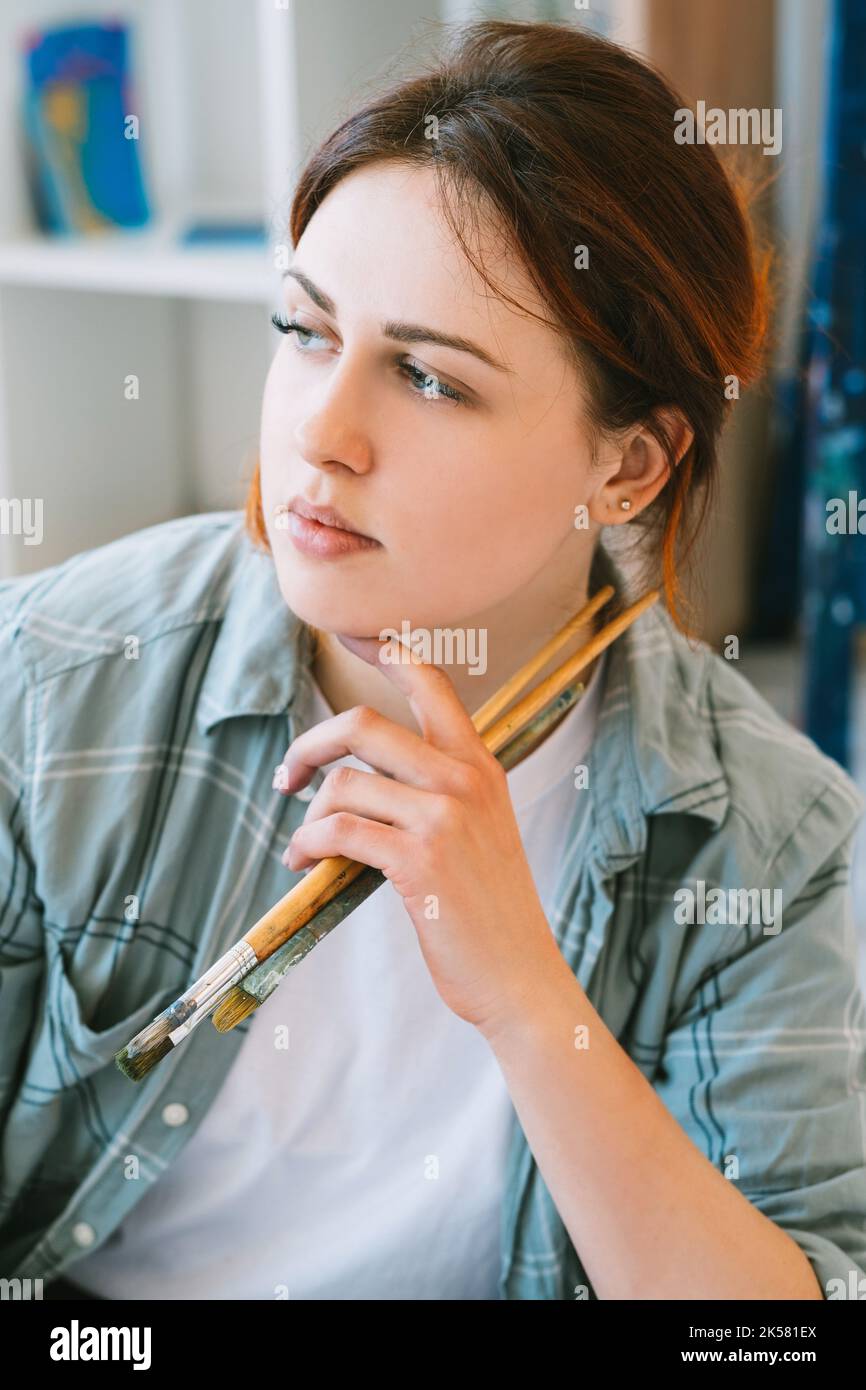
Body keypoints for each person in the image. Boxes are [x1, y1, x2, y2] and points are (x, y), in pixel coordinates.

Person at [2, 19, 865, 1302]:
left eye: (425, 376)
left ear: (625, 466)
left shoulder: (769, 844)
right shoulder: (57, 682)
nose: (322, 432)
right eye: (304, 330)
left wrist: (525, 994)